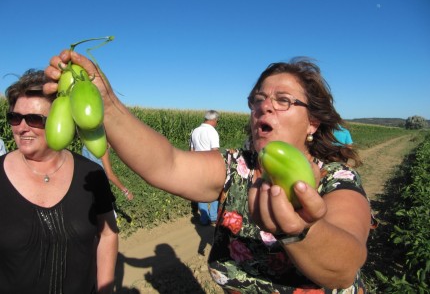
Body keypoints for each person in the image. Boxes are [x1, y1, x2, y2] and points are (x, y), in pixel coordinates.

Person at [45, 52, 374, 292]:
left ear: (313, 123)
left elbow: (343, 269)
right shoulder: (236, 168)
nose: (265, 106)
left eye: (283, 100)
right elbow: (166, 164)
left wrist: (300, 232)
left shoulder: (335, 179)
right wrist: (106, 101)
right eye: (257, 99)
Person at [1, 69, 118, 294]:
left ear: (60, 118)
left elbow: (108, 234)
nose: (22, 127)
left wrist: (105, 289)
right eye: (15, 118)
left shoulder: (91, 175)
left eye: (34, 119)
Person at [190, 110, 220, 226]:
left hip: (197, 165)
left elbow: (191, 151)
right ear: (214, 120)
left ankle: (203, 218)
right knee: (213, 190)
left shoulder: (195, 131)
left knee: (200, 192)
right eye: (217, 121)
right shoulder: (212, 132)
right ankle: (213, 216)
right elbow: (215, 151)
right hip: (209, 165)